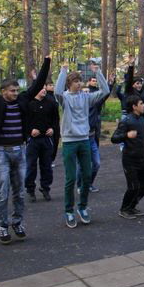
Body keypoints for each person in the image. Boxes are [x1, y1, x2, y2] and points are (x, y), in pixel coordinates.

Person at [0, 52, 51, 244]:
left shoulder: (22, 99)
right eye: (12, 91)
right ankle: (3, 226)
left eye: (17, 90)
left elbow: (37, 84)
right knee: (3, 191)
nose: (15, 93)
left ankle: (17, 223)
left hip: (19, 151)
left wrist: (47, 62)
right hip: (1, 153)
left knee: (19, 192)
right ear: (3, 91)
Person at [55, 62, 110, 229]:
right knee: (71, 178)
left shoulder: (86, 97)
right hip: (69, 142)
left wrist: (98, 72)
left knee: (87, 175)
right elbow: (57, 92)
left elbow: (105, 91)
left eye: (80, 81)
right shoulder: (64, 98)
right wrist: (63, 71)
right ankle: (69, 211)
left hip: (85, 139)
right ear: (69, 83)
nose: (79, 83)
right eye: (75, 81)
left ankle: (83, 207)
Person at [111, 95, 144, 219]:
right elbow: (114, 138)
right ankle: (124, 209)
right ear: (134, 106)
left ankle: (132, 206)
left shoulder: (142, 120)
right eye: (141, 104)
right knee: (133, 186)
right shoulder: (126, 121)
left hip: (142, 158)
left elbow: (140, 137)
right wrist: (126, 135)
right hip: (130, 160)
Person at [25, 84, 59, 202]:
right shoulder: (28, 103)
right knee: (31, 166)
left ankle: (45, 188)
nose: (44, 90)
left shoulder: (51, 103)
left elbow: (56, 119)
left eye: (44, 88)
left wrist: (52, 129)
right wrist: (30, 131)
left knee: (47, 166)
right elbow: (23, 121)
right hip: (33, 140)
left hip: (46, 139)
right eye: (41, 88)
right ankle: (30, 190)